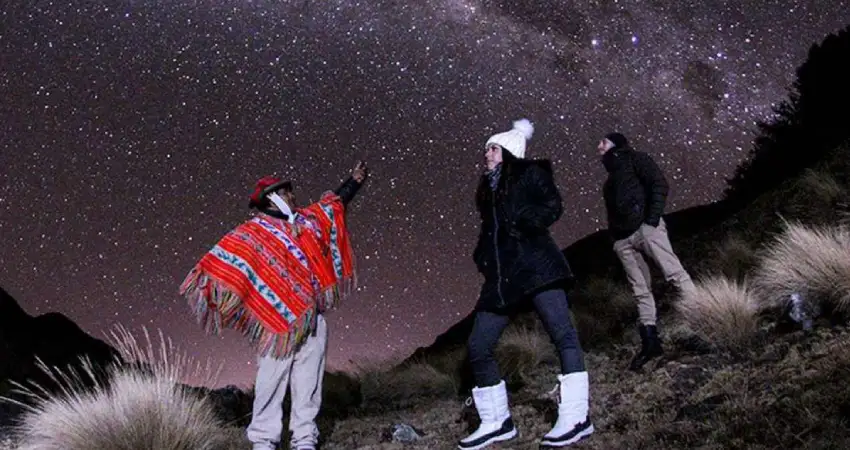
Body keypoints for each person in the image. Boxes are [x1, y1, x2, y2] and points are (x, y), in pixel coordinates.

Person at [179, 161, 369, 450]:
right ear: (272, 197)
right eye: (287, 192)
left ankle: (304, 438)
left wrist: (353, 183)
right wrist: (209, 283)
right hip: (276, 324)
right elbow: (223, 261)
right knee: (271, 382)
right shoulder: (252, 233)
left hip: (312, 318)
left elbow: (331, 207)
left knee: (309, 383)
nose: (293, 196)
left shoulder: (305, 222)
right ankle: (264, 440)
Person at [459, 119, 593, 450]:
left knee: (563, 335)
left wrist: (524, 223)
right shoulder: (486, 191)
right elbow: (488, 232)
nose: (485, 154)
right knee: (478, 346)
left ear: (506, 151)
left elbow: (552, 206)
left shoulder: (529, 173)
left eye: (491, 148)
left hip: (536, 266)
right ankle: (497, 422)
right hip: (502, 279)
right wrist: (483, 257)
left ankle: (577, 418)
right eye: (486, 149)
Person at [596, 133, 696, 371]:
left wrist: (651, 221)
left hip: (646, 229)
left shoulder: (636, 159)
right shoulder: (609, 182)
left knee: (675, 274)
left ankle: (702, 322)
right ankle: (650, 343)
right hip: (624, 241)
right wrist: (615, 239)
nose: (598, 146)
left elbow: (659, 184)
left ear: (616, 144)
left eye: (603, 141)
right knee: (640, 290)